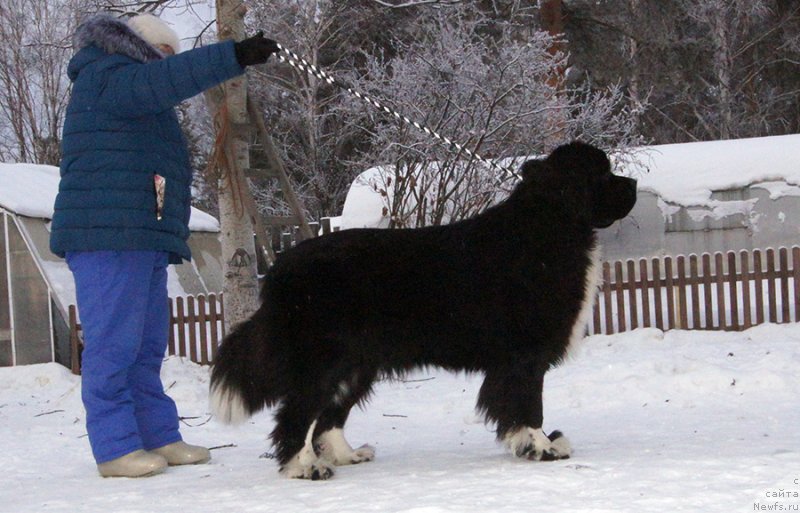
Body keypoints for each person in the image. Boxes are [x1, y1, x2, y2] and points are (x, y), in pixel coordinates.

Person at [50, 12, 279, 478]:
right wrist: (231, 56)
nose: (166, 65)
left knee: (146, 346)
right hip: (106, 235)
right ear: (140, 48)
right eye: (163, 56)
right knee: (113, 347)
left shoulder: (131, 88)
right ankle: (115, 447)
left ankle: (157, 436)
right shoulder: (105, 76)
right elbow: (161, 82)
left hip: (141, 234)